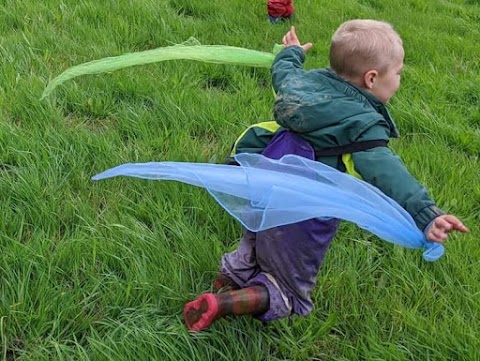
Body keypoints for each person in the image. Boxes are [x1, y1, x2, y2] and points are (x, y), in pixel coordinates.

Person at [183, 20, 469, 332]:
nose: (399, 80)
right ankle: (221, 304)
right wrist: (426, 214)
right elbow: (388, 172)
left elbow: (285, 75)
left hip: (264, 186)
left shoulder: (307, 85)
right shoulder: (361, 122)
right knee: (287, 290)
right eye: (398, 73)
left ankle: (218, 288)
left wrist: (291, 53)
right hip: (301, 213)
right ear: (371, 78)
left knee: (249, 248)